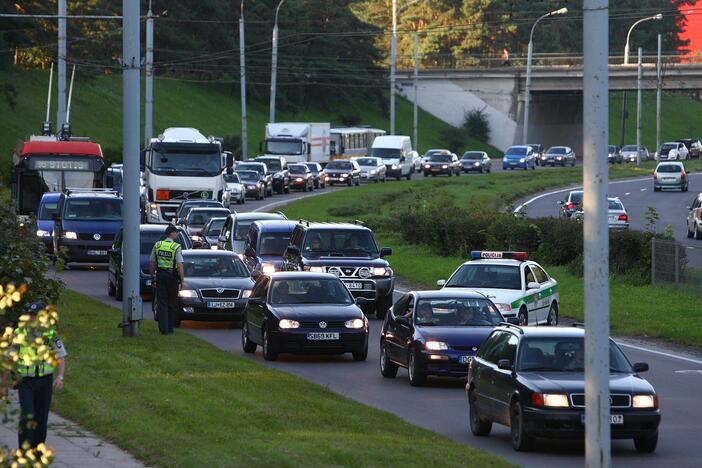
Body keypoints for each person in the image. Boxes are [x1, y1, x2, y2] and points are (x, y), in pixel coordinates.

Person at [4, 302, 67, 449]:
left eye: (35, 316)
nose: (31, 318)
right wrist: (4, 384)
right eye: (30, 315)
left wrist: (60, 377)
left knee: (41, 418)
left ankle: (37, 452)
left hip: (45, 382)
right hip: (25, 382)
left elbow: (61, 357)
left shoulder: (50, 334)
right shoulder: (19, 334)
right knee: (28, 415)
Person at [150, 225, 185, 334]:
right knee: (171, 303)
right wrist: (182, 280)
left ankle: (163, 329)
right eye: (176, 232)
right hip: (172, 277)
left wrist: (153, 276)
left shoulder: (158, 245)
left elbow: (151, 263)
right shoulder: (176, 247)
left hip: (160, 275)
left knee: (162, 303)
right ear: (171, 233)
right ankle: (170, 328)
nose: (177, 234)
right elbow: (180, 265)